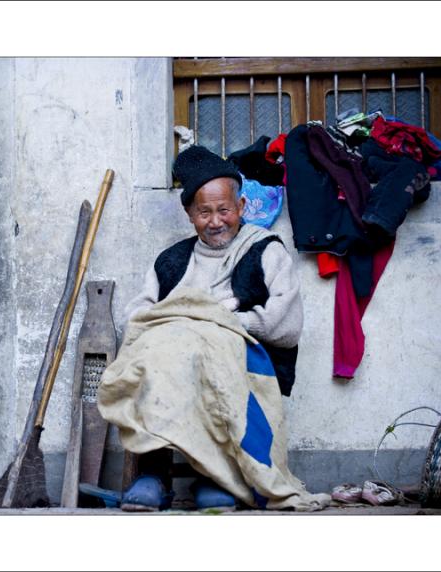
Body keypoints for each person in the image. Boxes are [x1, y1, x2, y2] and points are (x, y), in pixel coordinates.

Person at [98, 145, 326, 512]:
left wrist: (222, 322)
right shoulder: (171, 261)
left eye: (224, 210)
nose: (216, 221)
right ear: (190, 214)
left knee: (205, 352)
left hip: (241, 357)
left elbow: (285, 325)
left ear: (241, 207)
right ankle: (153, 475)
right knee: (154, 355)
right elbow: (139, 314)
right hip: (175, 357)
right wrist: (179, 323)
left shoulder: (265, 250)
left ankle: (216, 478)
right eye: (204, 212)